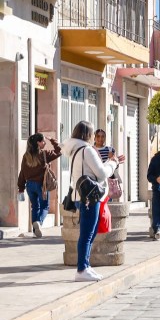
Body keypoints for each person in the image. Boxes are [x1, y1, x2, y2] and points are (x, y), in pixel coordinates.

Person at [62, 120, 125, 281]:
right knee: (87, 234)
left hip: (81, 196)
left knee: (89, 232)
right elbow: (102, 173)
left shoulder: (75, 149)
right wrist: (113, 163)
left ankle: (86, 266)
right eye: (92, 133)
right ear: (88, 134)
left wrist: (109, 163)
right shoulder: (87, 150)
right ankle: (82, 269)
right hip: (90, 197)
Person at [17, 133, 62, 238]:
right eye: (43, 141)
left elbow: (22, 172)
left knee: (35, 207)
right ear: (38, 143)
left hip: (29, 186)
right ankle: (39, 222)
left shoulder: (26, 156)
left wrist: (21, 188)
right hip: (41, 186)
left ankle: (35, 231)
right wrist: (52, 141)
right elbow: (59, 151)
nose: (44, 143)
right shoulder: (44, 154)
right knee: (45, 207)